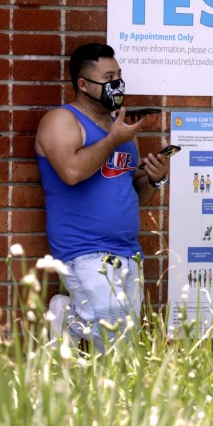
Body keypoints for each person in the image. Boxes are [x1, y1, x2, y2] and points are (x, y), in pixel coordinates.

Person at [35, 42, 170, 352]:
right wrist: (113, 140)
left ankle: (69, 316)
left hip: (128, 252)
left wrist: (155, 177)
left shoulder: (116, 130)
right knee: (119, 349)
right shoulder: (62, 120)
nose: (117, 84)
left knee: (125, 341)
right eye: (109, 77)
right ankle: (68, 318)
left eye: (119, 75)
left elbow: (136, 194)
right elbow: (71, 172)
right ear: (83, 84)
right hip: (85, 251)